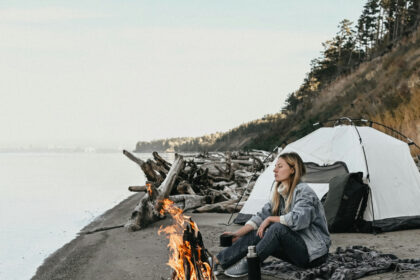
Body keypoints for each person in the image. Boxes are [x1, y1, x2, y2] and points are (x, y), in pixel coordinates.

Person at [214, 152, 331, 278]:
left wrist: (271, 219)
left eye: (280, 166)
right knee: (259, 231)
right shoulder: (280, 193)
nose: (275, 170)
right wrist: (238, 234)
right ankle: (219, 261)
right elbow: (260, 216)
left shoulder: (304, 192)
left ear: (292, 169)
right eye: (275, 166)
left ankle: (250, 264)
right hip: (296, 251)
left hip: (314, 254)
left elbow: (299, 220)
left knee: (277, 228)